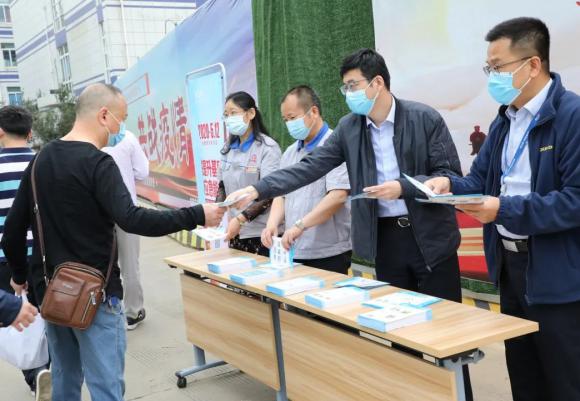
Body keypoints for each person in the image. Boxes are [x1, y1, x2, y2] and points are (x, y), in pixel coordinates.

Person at [227, 49, 472, 399]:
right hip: (386, 241)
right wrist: (259, 189)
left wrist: (404, 187)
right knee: (399, 335)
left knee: (447, 336)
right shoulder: (349, 128)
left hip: (431, 238)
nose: (347, 94)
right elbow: (309, 168)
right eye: (344, 87)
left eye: (352, 85)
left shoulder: (423, 118)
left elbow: (449, 173)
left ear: (377, 83)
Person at [1, 83, 225, 401]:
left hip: (52, 294)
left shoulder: (41, 160)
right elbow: (133, 219)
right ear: (104, 115)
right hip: (97, 296)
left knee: (65, 381)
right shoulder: (98, 163)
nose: (121, 128)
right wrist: (197, 214)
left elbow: (12, 231)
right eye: (122, 118)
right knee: (106, 388)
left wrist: (20, 277)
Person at [425, 17, 580, 401]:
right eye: (488, 68)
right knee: (524, 377)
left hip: (557, 272)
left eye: (498, 67)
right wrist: (448, 184)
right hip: (510, 269)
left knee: (565, 380)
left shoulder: (572, 117)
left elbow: (574, 201)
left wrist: (503, 210)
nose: (492, 77)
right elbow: (479, 180)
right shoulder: (505, 121)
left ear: (533, 64)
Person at [261, 85, 351, 273]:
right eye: (285, 120)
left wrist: (301, 226)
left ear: (314, 112)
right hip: (293, 248)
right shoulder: (290, 152)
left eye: (292, 118)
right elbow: (281, 195)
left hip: (328, 252)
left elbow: (337, 196)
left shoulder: (336, 146)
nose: (289, 124)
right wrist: (272, 224)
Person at [0, 105, 50, 396]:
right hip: (43, 255)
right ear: (30, 133)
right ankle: (51, 366)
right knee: (48, 313)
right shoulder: (42, 164)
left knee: (18, 317)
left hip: (6, 258)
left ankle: (35, 374)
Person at [216, 91, 281, 256]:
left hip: (262, 233)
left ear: (251, 113)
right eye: (226, 115)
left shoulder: (268, 148)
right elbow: (222, 185)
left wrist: (241, 219)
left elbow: (270, 192)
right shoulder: (227, 148)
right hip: (236, 230)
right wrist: (216, 210)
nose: (229, 119)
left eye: (233, 113)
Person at [103, 129, 149, 330]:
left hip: (98, 212)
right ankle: (133, 313)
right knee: (130, 266)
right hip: (126, 211)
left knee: (102, 264)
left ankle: (104, 312)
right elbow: (142, 172)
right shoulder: (127, 137)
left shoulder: (88, 139)